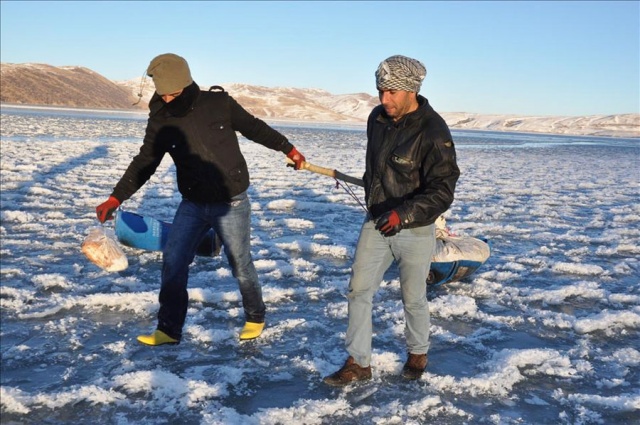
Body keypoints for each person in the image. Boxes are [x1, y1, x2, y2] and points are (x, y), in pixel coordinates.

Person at [95, 53, 306, 346]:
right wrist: (115, 197)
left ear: (186, 83)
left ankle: (255, 315)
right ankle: (169, 329)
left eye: (174, 94)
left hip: (230, 201)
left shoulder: (218, 104)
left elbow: (255, 128)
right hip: (192, 202)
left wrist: (289, 149)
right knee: (173, 260)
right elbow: (146, 160)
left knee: (240, 265)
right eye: (162, 94)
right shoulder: (160, 118)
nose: (168, 99)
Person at [323, 55, 460, 385]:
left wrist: (406, 213)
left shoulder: (433, 130)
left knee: (413, 296)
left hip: (414, 227)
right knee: (359, 290)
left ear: (411, 90)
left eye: (391, 93)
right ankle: (359, 362)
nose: (384, 100)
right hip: (377, 221)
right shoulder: (377, 119)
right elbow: (377, 168)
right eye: (380, 91)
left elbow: (443, 189)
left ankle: (417, 352)